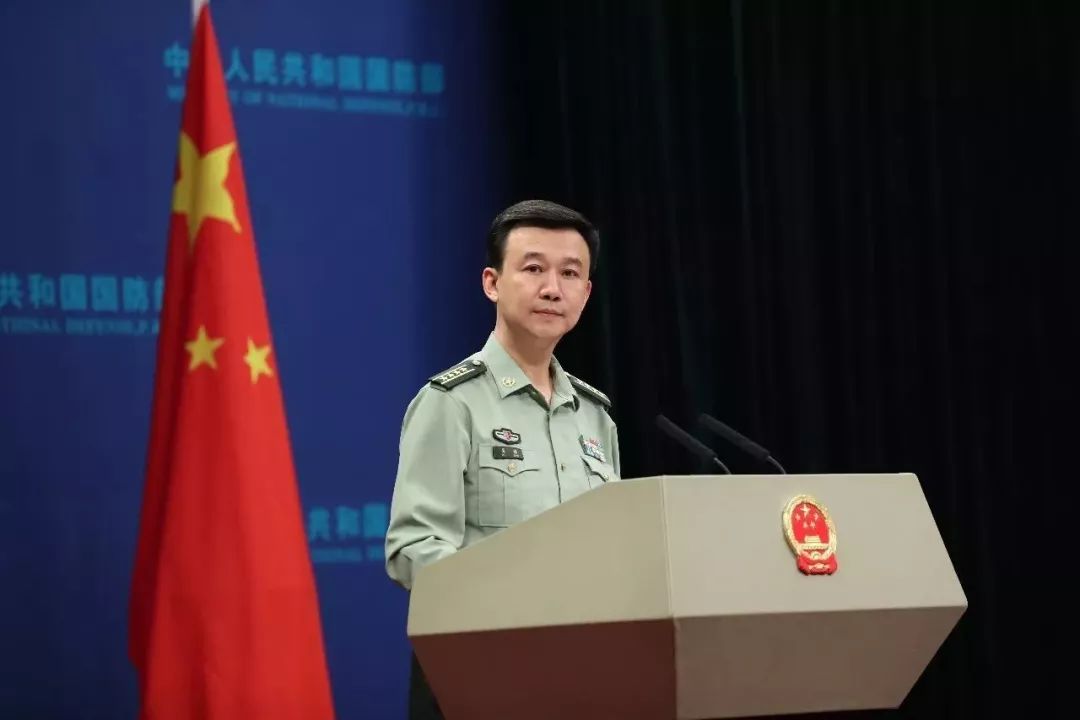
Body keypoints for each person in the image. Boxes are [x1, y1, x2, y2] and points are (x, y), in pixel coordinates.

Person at [384, 199, 622, 719]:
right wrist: (513, 601)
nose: (552, 288)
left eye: (569, 274)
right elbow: (412, 548)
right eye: (533, 268)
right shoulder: (451, 402)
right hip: (481, 668)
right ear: (492, 283)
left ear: (586, 293)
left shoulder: (594, 415)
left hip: (584, 671)